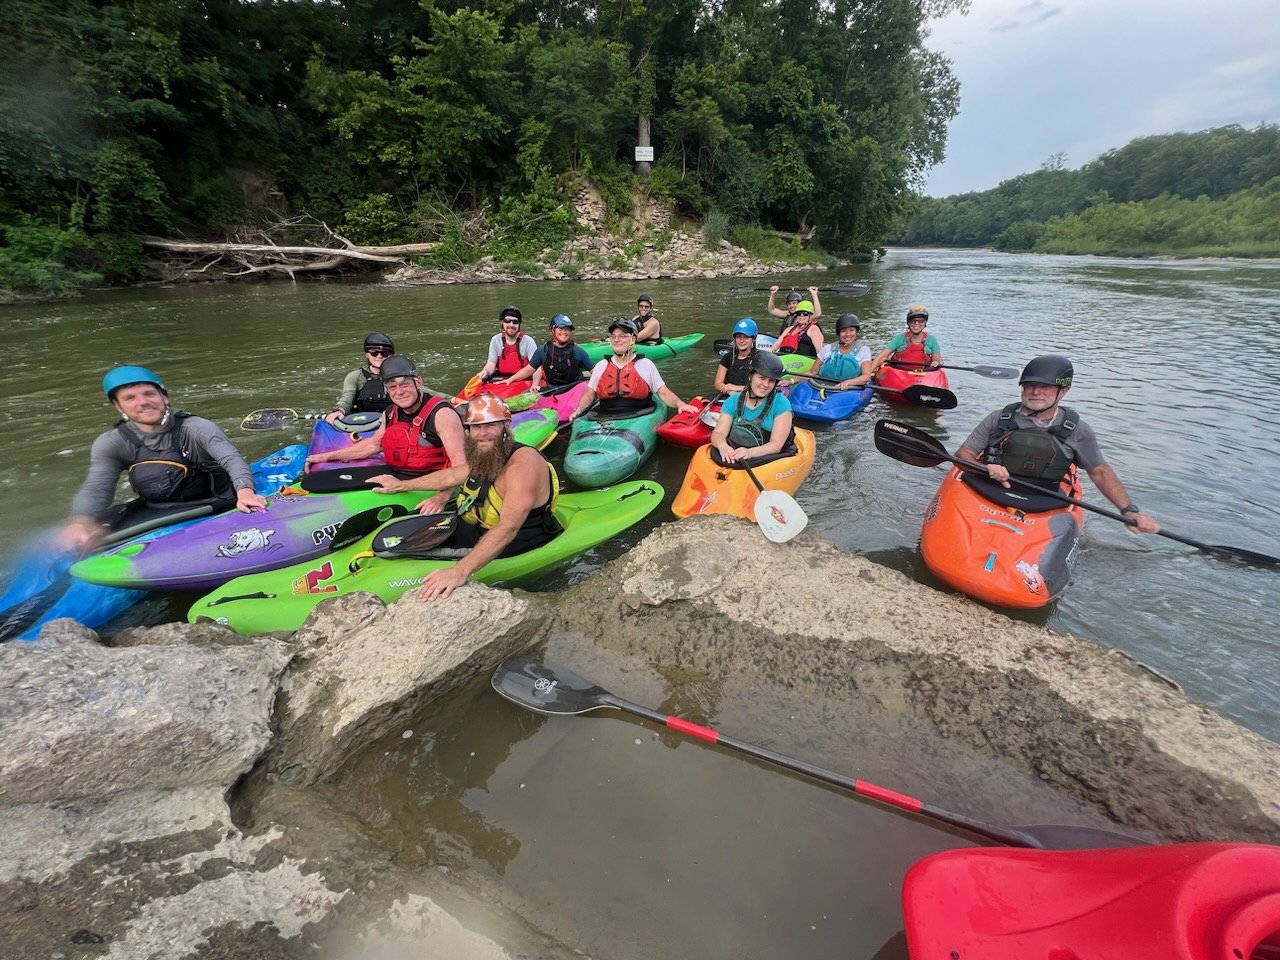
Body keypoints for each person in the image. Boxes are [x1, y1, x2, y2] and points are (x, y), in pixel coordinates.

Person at [59, 365, 267, 551]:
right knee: (90, 538)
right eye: (130, 398)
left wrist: (245, 491)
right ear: (119, 407)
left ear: (164, 397)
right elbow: (97, 488)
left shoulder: (196, 428)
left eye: (149, 394)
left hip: (213, 502)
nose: (143, 402)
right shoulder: (112, 442)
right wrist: (80, 521)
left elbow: (232, 459)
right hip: (156, 510)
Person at [954, 355, 1160, 534]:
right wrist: (984, 468)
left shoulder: (1078, 430)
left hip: (1044, 498)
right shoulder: (998, 418)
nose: (1035, 392)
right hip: (988, 487)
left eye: (1045, 386)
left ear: (1063, 391)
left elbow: (1099, 472)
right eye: (1029, 385)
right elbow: (962, 455)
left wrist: (1129, 511)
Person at [416, 395, 563, 602]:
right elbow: (450, 476)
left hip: (516, 542)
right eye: (476, 427)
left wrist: (459, 571)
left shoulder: (522, 466)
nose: (482, 433)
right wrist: (401, 485)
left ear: (506, 426)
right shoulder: (487, 454)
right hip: (477, 529)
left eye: (490, 425)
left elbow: (508, 527)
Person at [304, 355, 467, 494]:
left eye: (405, 384)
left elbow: (461, 469)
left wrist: (443, 496)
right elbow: (373, 445)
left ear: (418, 383)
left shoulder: (442, 415)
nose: (399, 392)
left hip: (433, 481)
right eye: (392, 387)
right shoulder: (390, 412)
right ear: (386, 390)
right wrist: (325, 457)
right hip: (397, 472)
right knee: (318, 481)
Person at [567, 319, 696, 421]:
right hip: (604, 415)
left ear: (633, 340)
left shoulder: (646, 365)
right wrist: (578, 411)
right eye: (614, 336)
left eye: (622, 336)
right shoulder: (601, 365)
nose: (617, 340)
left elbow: (663, 392)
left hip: (639, 414)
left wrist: (681, 404)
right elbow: (590, 395)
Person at [710, 351, 796, 464]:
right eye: (762, 378)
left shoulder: (782, 403)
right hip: (736, 452)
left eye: (771, 381)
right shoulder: (733, 400)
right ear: (750, 376)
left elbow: (776, 445)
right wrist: (723, 446)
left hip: (764, 458)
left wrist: (749, 453)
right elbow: (718, 433)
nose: (766, 385)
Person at [325, 332, 395, 424]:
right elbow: (347, 397)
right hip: (362, 424)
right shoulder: (355, 377)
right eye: (374, 353)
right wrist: (340, 410)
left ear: (391, 355)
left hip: (393, 422)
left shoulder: (400, 376)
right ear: (366, 354)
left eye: (384, 353)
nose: (379, 356)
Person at [525, 314, 593, 391]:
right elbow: (528, 371)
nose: (565, 332)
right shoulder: (542, 351)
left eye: (567, 329)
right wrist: (512, 379)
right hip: (552, 390)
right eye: (561, 328)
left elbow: (595, 372)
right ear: (553, 329)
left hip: (575, 389)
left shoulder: (577, 351)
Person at [476, 305, 537, 386]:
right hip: (502, 380)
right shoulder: (495, 340)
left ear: (519, 324)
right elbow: (491, 364)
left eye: (515, 322)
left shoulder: (528, 341)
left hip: (525, 381)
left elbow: (536, 367)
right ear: (502, 323)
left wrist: (535, 385)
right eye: (507, 321)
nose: (511, 325)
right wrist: (485, 372)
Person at [871, 305, 942, 373]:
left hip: (924, 374)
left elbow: (937, 359)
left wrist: (936, 362)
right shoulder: (899, 338)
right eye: (913, 321)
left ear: (925, 323)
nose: (917, 324)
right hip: (899, 374)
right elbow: (882, 356)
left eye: (921, 321)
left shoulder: (931, 340)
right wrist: (869, 372)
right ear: (908, 323)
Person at [814, 314, 872, 389]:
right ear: (839, 333)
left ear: (856, 332)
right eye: (843, 331)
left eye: (851, 330)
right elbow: (812, 372)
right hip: (823, 386)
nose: (847, 334)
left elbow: (866, 376)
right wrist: (797, 379)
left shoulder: (864, 350)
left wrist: (848, 382)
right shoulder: (827, 348)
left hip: (851, 388)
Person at [714, 318, 759, 396]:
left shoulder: (759, 359)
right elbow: (717, 384)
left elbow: (761, 387)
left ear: (753, 339)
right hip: (728, 395)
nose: (741, 340)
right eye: (738, 337)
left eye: (746, 337)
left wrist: (735, 387)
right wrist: (729, 391)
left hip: (751, 396)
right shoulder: (727, 357)